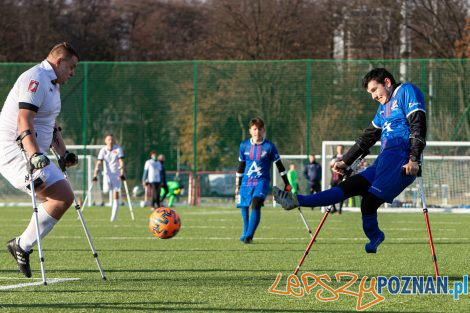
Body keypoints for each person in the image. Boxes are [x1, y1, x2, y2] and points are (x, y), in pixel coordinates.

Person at [274, 68, 426, 254]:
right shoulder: (382, 109)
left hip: (401, 162)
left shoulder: (406, 91)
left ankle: (375, 235)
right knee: (348, 188)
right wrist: (345, 161)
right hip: (382, 161)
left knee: (368, 202)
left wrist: (414, 159)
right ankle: (297, 200)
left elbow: (418, 125)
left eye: (373, 90)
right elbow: (368, 137)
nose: (373, 96)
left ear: (387, 82)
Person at [0, 42, 80, 277]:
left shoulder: (53, 85)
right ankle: (22, 245)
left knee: (63, 197)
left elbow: (50, 124)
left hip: (35, 152)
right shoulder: (35, 78)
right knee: (63, 196)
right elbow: (24, 120)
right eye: (71, 67)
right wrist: (34, 155)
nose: (72, 73)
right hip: (15, 152)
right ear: (59, 62)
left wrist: (64, 153)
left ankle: (21, 245)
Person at [236, 117, 291, 244]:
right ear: (250, 130)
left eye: (260, 129)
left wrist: (287, 183)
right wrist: (238, 184)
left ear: (264, 130)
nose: (257, 132)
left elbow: (280, 166)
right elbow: (241, 166)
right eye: (254, 129)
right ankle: (245, 231)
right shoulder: (243, 146)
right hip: (246, 181)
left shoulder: (269, 146)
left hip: (262, 181)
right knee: (244, 205)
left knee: (255, 203)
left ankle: (249, 236)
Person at [93, 134, 126, 222]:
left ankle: (113, 217)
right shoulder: (103, 150)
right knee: (106, 191)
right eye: (108, 140)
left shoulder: (118, 149)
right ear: (105, 141)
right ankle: (104, 204)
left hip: (117, 175)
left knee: (115, 194)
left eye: (111, 139)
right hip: (107, 175)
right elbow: (99, 163)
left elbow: (121, 161)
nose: (110, 141)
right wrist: (95, 174)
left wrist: (122, 173)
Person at [329, 145, 344, 213]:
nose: (340, 150)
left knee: (341, 193)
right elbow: (330, 166)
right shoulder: (334, 157)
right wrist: (332, 164)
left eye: (341, 149)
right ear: (337, 150)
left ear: (342, 149)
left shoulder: (345, 157)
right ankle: (334, 208)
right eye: (338, 149)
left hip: (341, 179)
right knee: (332, 193)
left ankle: (340, 209)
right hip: (334, 178)